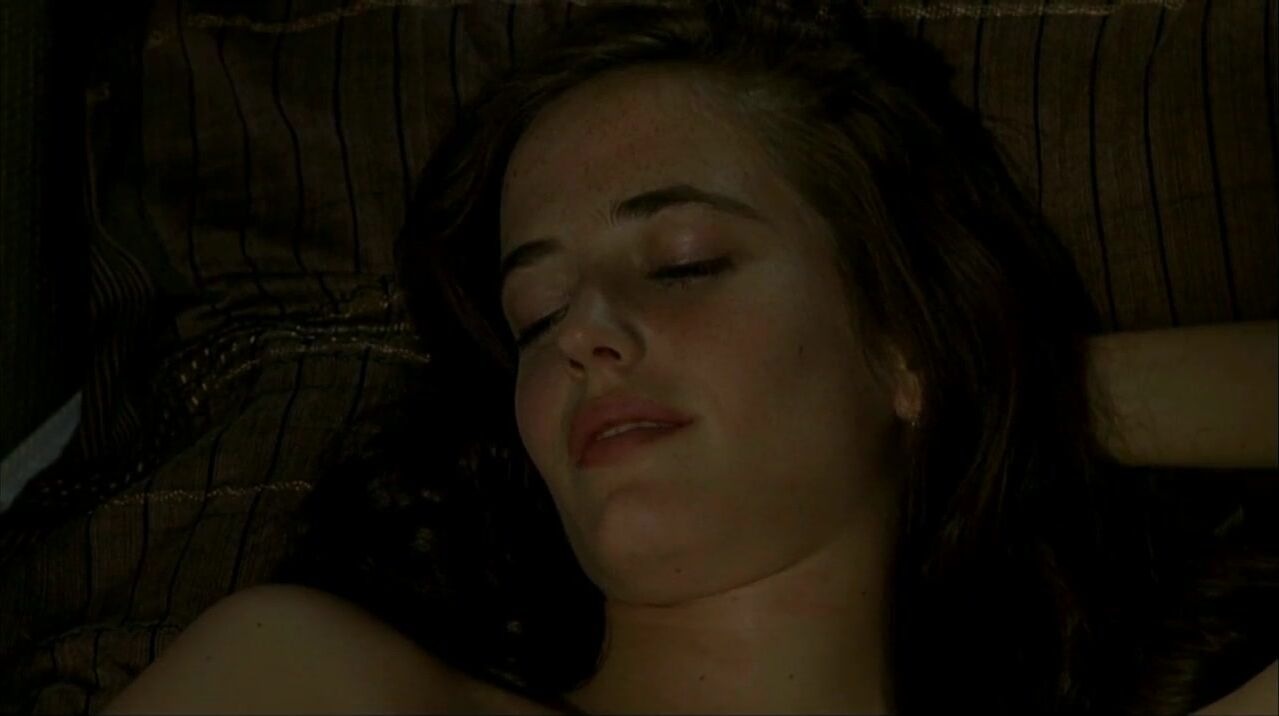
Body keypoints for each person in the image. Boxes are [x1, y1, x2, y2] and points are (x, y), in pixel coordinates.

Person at [266, 1, 1277, 714]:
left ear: (900, 336)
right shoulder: (319, 680)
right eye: (534, 315)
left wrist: (987, 381)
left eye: (684, 265)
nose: (578, 332)